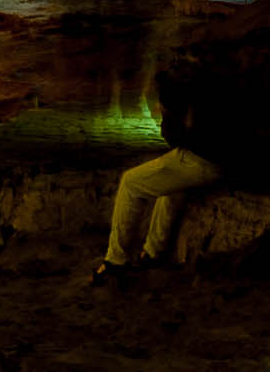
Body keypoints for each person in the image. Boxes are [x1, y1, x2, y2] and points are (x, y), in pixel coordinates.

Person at [93, 68, 226, 285]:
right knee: (172, 186)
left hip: (204, 161)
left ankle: (116, 261)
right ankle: (153, 253)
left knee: (130, 182)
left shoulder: (182, 95)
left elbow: (175, 137)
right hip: (217, 158)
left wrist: (166, 112)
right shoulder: (208, 86)